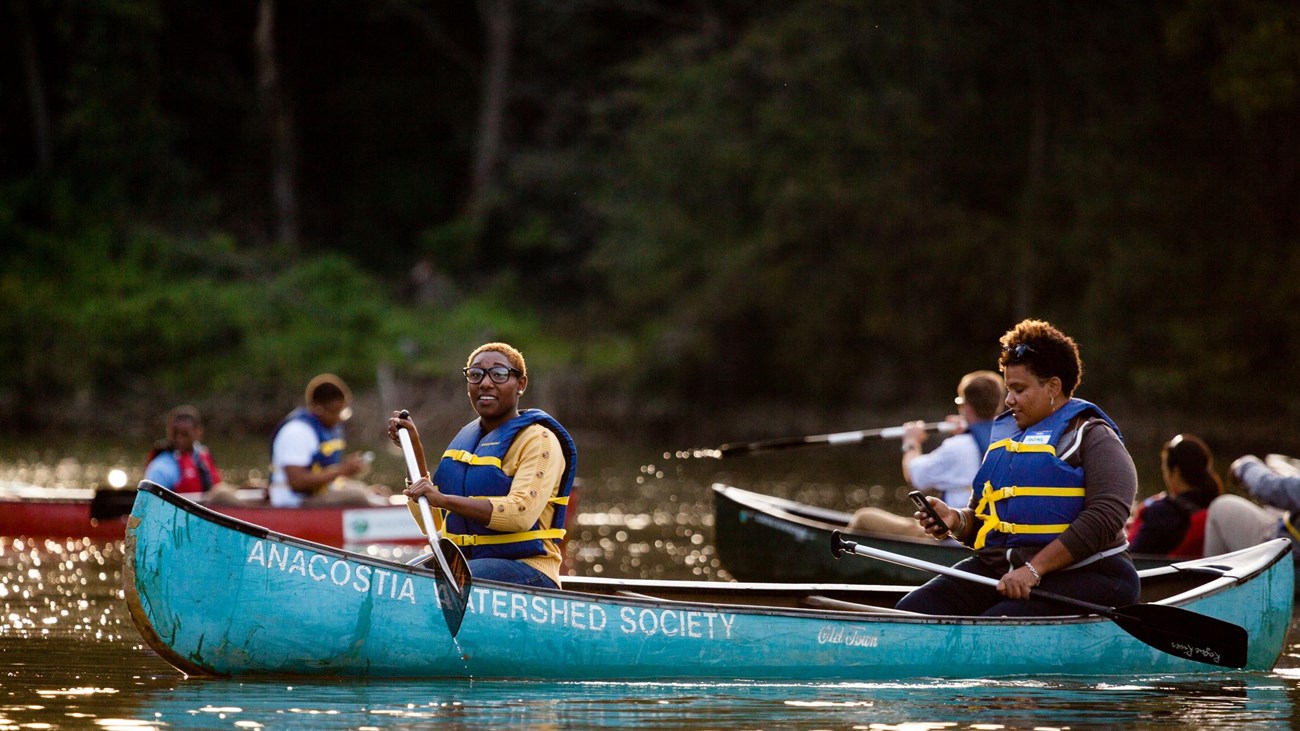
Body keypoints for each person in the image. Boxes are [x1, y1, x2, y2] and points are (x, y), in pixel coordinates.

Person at [896, 318, 1140, 616]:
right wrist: (955, 520)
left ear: (1053, 386)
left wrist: (1033, 570)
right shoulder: (1007, 439)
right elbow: (983, 522)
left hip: (1094, 576)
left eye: (1019, 389)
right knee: (913, 609)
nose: (1009, 400)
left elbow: (1106, 517)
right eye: (1008, 388)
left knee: (993, 623)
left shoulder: (1093, 436)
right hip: (1009, 571)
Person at [387, 342, 578, 589]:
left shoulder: (539, 440)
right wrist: (414, 449)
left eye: (499, 374)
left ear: (521, 384)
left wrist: (443, 499)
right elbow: (432, 523)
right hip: (467, 564)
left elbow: (519, 514)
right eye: (476, 374)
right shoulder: (466, 441)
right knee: (401, 581)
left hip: (528, 569)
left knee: (443, 580)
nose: (485, 383)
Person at [847, 371, 1005, 538]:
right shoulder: (1006, 440)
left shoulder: (957, 447)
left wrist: (911, 442)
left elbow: (914, 475)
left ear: (966, 407)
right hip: (985, 534)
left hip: (951, 536)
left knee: (864, 517)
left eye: (959, 402)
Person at [269, 373, 384, 507]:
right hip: (293, 500)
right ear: (318, 409)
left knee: (367, 491)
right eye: (335, 411)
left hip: (318, 493)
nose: (339, 418)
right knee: (359, 497)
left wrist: (348, 470)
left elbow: (325, 475)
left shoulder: (327, 427)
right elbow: (297, 482)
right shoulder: (296, 432)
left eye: (343, 411)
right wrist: (342, 471)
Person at [1125, 434, 1222, 556]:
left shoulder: (1162, 512)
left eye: (1165, 469)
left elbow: (1132, 556)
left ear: (1175, 472)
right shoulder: (1213, 508)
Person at [1203, 454, 1300, 561]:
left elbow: (1267, 487)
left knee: (1220, 507)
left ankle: (1211, 575)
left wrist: (1244, 465)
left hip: (1288, 556)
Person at [144, 406, 244, 506]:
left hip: (211, 512)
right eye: (174, 434)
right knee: (221, 494)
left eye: (185, 434)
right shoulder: (160, 467)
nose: (179, 439)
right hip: (181, 516)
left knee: (255, 486)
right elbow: (152, 505)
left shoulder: (202, 454)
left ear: (198, 432)